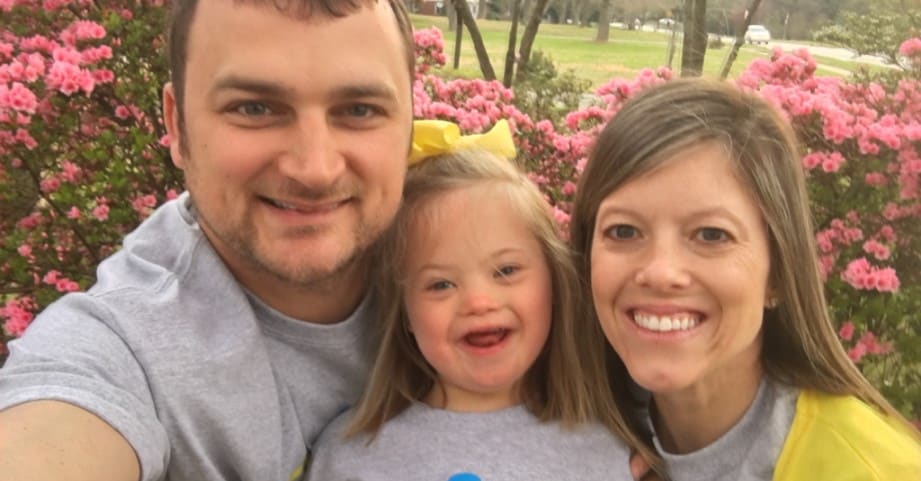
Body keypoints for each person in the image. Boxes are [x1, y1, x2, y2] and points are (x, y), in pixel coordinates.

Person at [0, 0, 415, 480]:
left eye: (360, 110)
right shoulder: (123, 350)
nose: (315, 169)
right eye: (254, 108)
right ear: (177, 125)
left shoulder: (488, 261)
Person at [569, 78, 921, 480]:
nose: (660, 272)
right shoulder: (555, 435)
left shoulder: (876, 471)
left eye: (712, 235)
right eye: (624, 231)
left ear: (777, 274)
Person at [309, 120, 650, 480]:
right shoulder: (350, 456)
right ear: (405, 311)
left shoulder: (607, 449)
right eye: (440, 284)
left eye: (505, 271)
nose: (478, 302)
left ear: (554, 283)